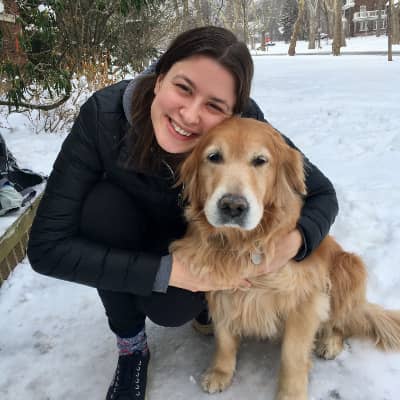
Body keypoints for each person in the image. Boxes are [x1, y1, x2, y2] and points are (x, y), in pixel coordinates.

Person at [27, 26, 338, 400]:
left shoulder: (246, 127)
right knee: (101, 208)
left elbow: (322, 193)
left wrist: (293, 243)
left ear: (234, 112)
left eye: (214, 106)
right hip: (130, 235)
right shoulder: (102, 117)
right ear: (159, 78)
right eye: (183, 88)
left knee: (172, 308)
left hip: (198, 244)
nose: (190, 115)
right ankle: (131, 348)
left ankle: (206, 307)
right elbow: (46, 248)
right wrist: (168, 272)